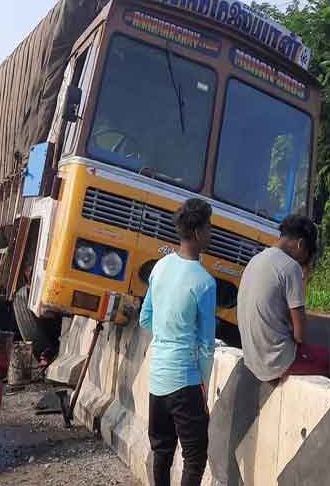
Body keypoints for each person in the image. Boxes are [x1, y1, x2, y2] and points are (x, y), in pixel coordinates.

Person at [139, 198, 216, 486]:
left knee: (162, 450)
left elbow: (145, 318)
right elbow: (207, 345)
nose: (211, 233)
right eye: (209, 228)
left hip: (157, 376)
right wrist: (204, 390)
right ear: (197, 233)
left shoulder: (160, 267)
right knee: (194, 457)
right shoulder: (205, 282)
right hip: (185, 379)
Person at [237, 214, 329, 382]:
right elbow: (300, 334)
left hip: (251, 359)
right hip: (275, 362)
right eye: (307, 255)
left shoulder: (256, 259)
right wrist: (304, 277)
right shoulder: (291, 267)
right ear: (301, 244)